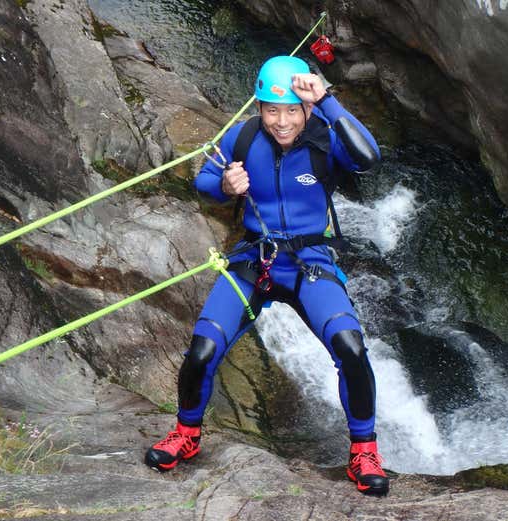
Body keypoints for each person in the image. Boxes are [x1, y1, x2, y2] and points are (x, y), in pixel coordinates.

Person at [144, 56, 388, 496]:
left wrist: (327, 101)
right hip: (255, 260)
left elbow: (368, 158)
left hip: (310, 261)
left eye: (292, 109)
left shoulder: (324, 138)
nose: (281, 121)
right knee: (201, 350)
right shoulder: (242, 136)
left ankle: (364, 452)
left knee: (350, 347)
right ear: (258, 107)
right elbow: (203, 181)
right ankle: (187, 434)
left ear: (306, 107)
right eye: (272, 110)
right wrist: (225, 187)